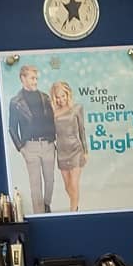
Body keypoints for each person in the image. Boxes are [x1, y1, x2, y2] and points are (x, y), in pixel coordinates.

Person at [7, 65, 56, 213]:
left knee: (50, 180)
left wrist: (54, 140)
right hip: (30, 147)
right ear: (23, 78)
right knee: (35, 184)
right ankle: (40, 214)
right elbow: (12, 128)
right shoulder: (15, 102)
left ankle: (46, 204)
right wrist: (21, 148)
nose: (35, 81)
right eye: (32, 78)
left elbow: (52, 120)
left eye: (36, 78)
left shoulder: (45, 97)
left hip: (48, 145)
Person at [50, 80, 87, 212]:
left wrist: (86, 151)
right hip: (61, 151)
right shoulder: (53, 113)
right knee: (67, 186)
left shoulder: (77, 108)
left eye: (63, 96)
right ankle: (75, 206)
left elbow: (82, 130)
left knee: (74, 183)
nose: (61, 100)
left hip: (76, 149)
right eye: (58, 97)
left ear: (68, 94)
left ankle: (73, 211)